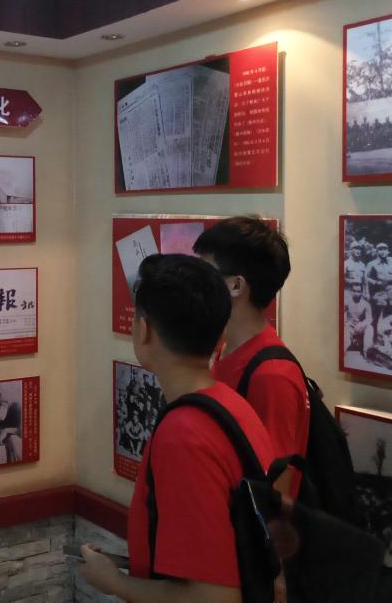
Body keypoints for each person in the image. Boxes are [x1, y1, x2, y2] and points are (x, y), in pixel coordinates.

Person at [80, 254, 274, 603]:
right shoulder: (232, 405)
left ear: (144, 331)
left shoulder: (184, 435)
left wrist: (114, 583)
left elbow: (214, 598)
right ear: (220, 333)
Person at [192, 216, 307, 499]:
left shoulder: (272, 375)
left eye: (205, 273)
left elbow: (275, 492)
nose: (195, 283)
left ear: (236, 285)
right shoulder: (224, 347)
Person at [344, 280, 375, 354]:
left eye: (358, 291)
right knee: (345, 330)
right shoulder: (347, 302)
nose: (356, 293)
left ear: (361, 292)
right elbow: (341, 315)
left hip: (360, 327)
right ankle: (342, 351)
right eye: (354, 291)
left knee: (370, 328)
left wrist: (362, 324)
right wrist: (346, 323)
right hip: (350, 326)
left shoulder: (366, 304)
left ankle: (367, 351)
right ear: (351, 291)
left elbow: (369, 318)